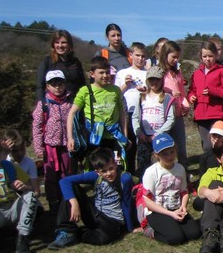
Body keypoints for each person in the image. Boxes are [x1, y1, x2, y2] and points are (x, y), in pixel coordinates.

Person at [49, 147, 134, 250]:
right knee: (72, 187)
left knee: (104, 239)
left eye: (111, 168)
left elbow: (127, 203)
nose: (108, 173)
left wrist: (130, 228)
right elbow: (64, 181)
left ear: (115, 164)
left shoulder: (125, 178)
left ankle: (79, 234)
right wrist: (74, 202)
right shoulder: (95, 176)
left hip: (112, 219)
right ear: (97, 172)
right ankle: (67, 231)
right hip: (95, 213)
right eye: (104, 171)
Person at [140, 133, 200, 245]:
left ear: (176, 150)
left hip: (176, 207)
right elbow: (147, 201)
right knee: (176, 238)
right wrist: (170, 214)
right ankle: (150, 231)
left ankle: (174, 224)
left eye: (172, 152)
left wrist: (183, 207)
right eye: (164, 154)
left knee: (194, 234)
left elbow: (184, 191)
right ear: (156, 155)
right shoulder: (151, 172)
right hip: (157, 211)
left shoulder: (180, 168)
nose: (169, 156)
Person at [67, 56, 128, 165]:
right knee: (95, 169)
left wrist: (125, 135)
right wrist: (70, 137)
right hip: (93, 138)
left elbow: (122, 114)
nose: (105, 76)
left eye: (107, 72)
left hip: (113, 137)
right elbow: (71, 113)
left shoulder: (115, 90)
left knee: (116, 167)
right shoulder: (85, 90)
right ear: (92, 74)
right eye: (101, 73)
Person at [33, 70, 73, 212]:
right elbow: (37, 126)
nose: (57, 87)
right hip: (50, 146)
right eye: (53, 84)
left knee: (66, 173)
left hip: (66, 144)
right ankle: (53, 202)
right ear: (47, 87)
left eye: (60, 83)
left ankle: (66, 199)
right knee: (50, 176)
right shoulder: (43, 104)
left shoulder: (69, 102)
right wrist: (39, 147)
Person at [188, 40, 223, 159]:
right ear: (200, 56)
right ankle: (210, 170)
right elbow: (192, 89)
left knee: (220, 144)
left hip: (217, 114)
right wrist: (191, 97)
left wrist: (212, 91)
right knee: (207, 146)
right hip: (201, 115)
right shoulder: (196, 73)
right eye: (205, 56)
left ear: (216, 55)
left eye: (210, 56)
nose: (208, 59)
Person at [0, 139, 38, 253]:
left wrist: (23, 187)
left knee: (30, 197)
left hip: (12, 208)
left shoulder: (9, 166)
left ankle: (22, 240)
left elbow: (35, 190)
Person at [133, 65, 175, 180]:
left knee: (163, 162)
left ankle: (163, 182)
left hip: (160, 136)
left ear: (162, 80)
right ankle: (144, 186)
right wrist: (139, 133)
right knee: (143, 163)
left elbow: (171, 119)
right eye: (151, 79)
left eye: (157, 79)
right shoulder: (141, 97)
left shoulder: (167, 97)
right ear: (147, 80)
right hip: (144, 136)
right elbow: (135, 117)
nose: (154, 82)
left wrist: (158, 134)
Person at [115, 42, 148, 174]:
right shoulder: (123, 73)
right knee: (127, 142)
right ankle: (125, 170)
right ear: (131, 55)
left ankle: (141, 170)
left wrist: (145, 91)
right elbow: (115, 94)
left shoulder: (147, 73)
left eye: (143, 56)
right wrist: (126, 85)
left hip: (144, 113)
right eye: (137, 55)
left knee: (141, 143)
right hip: (126, 112)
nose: (140, 59)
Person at [159, 40, 189, 166]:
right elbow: (155, 88)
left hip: (177, 113)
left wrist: (185, 105)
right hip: (163, 114)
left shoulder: (177, 73)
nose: (176, 60)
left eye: (177, 57)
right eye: (173, 57)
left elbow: (181, 91)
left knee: (180, 146)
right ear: (165, 55)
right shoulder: (159, 72)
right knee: (164, 147)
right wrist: (169, 92)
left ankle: (183, 172)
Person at [35, 29, 86, 102]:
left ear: (69, 44)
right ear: (53, 45)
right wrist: (42, 105)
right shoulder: (47, 61)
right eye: (57, 42)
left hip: (75, 105)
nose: (60, 45)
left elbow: (82, 85)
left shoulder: (76, 62)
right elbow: (40, 86)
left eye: (63, 42)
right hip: (54, 106)